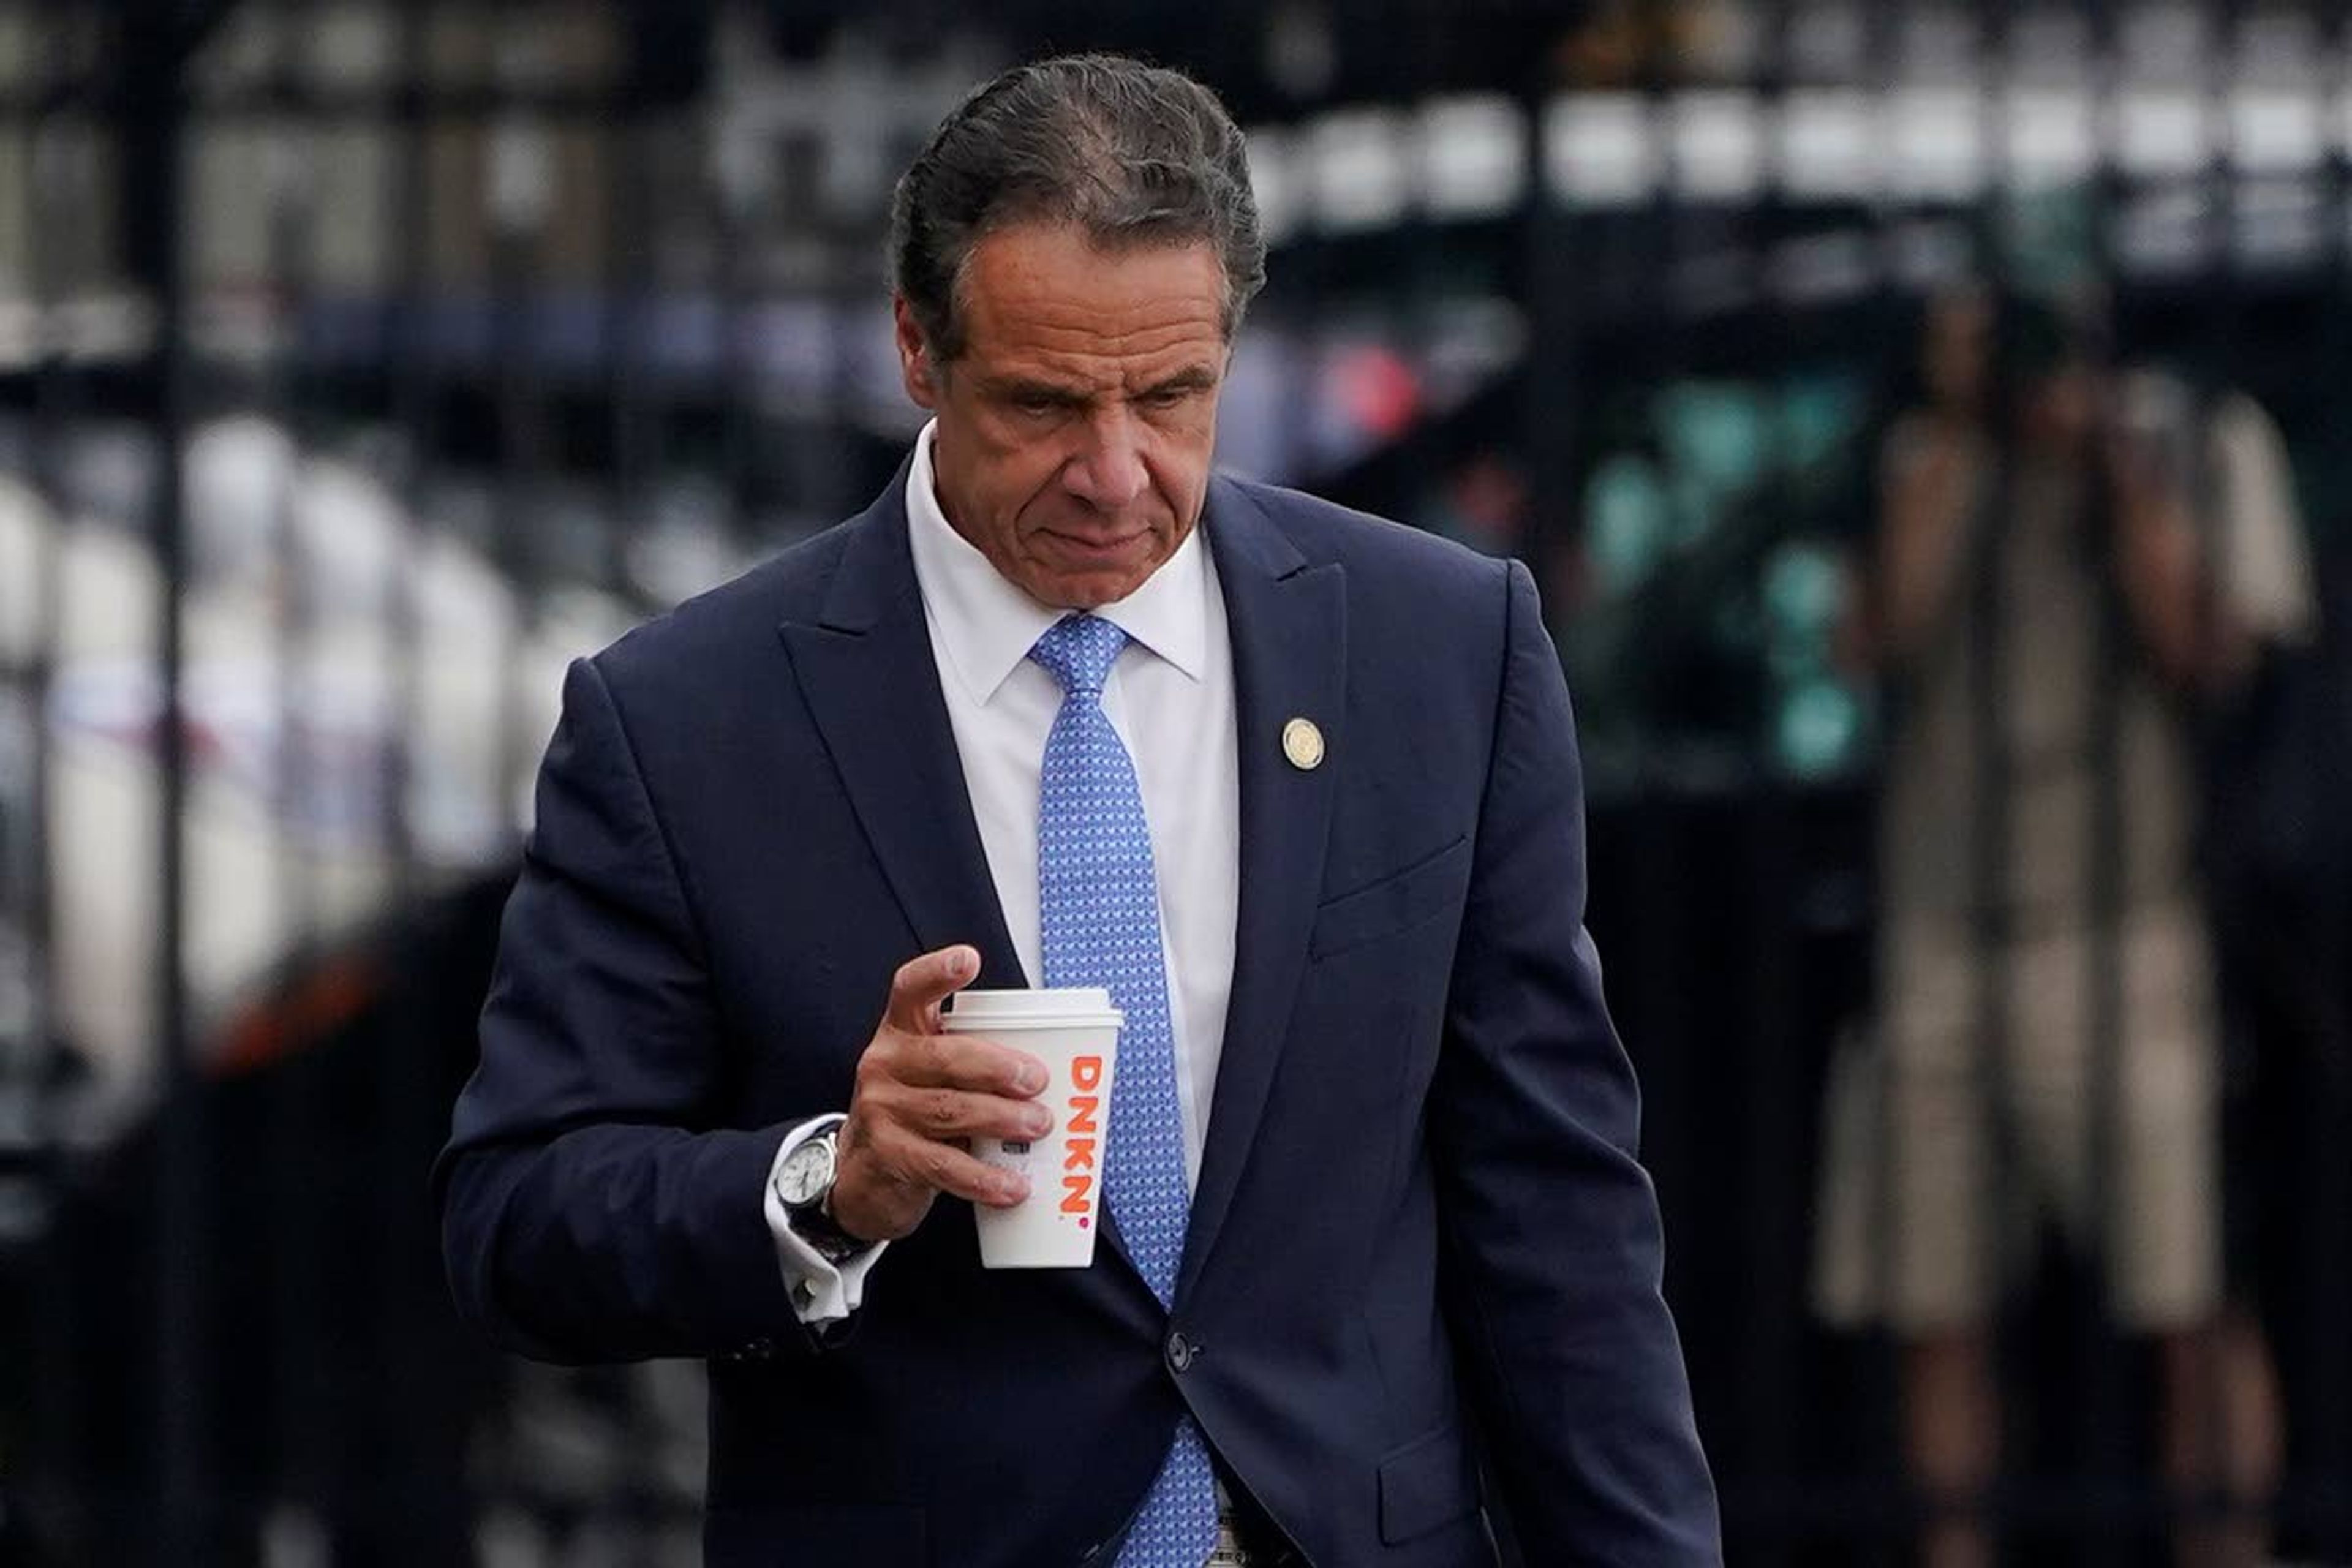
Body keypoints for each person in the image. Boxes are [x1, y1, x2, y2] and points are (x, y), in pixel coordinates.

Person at [437, 54, 1719, 1568]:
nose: (1117, 473)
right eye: (1046, 404)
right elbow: (517, 1220)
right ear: (919, 349)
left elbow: (1561, 1226)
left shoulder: (1440, 651)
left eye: (1173, 396)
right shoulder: (687, 722)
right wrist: (829, 1181)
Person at [1810, 288, 2293, 1568]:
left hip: (2130, 923)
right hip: (1942, 929)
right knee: (1937, 1305)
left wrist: (2114, 460)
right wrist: (1965, 436)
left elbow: (2210, 647)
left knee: (2191, 1291)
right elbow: (1877, 635)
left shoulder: (2196, 436)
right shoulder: (1918, 454)